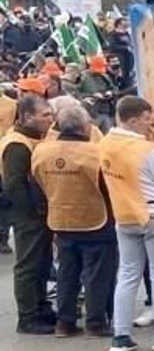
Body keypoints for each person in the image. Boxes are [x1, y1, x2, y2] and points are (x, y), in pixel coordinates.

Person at [101, 95, 154, 351]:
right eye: (147, 119)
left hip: (124, 214)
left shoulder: (105, 144)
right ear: (135, 120)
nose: (151, 124)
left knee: (127, 275)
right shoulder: (145, 149)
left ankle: (121, 336)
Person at [29, 100, 116, 338]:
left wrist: (47, 206)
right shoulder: (95, 153)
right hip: (96, 221)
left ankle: (64, 322)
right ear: (85, 127)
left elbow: (35, 184)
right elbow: (108, 187)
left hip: (60, 219)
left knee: (66, 273)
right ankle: (96, 322)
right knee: (97, 275)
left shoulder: (41, 151)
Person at [1, 93, 55, 333]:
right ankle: (28, 317)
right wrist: (31, 213)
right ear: (27, 117)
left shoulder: (34, 137)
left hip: (39, 211)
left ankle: (41, 306)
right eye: (45, 115)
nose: (50, 119)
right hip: (28, 215)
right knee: (29, 265)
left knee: (42, 263)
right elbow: (14, 184)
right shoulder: (17, 144)